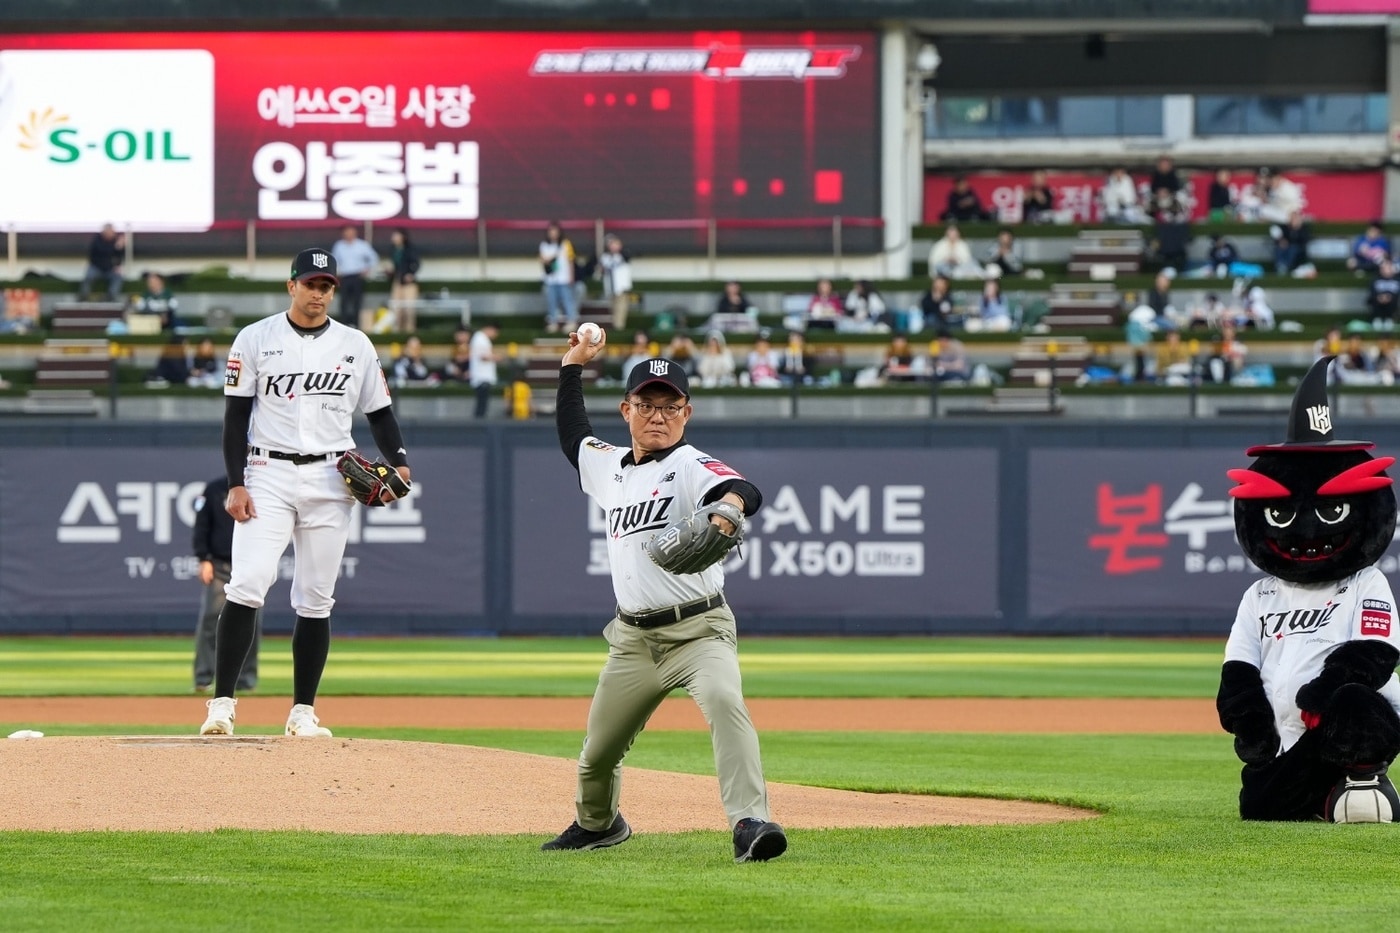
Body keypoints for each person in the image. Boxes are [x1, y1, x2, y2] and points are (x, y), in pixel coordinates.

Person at [544, 340, 786, 862]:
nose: (659, 416)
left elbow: (743, 487)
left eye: (671, 406)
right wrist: (570, 369)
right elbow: (573, 436)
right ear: (627, 409)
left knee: (726, 705)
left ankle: (750, 821)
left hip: (700, 632)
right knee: (596, 757)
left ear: (686, 413)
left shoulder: (689, 462)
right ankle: (599, 825)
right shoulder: (608, 466)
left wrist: (728, 509)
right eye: (648, 404)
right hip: (633, 640)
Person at [198, 246, 412, 739]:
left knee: (316, 598)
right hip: (266, 472)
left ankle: (302, 712)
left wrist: (399, 460)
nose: (319, 293)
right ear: (291, 285)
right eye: (311, 283)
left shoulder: (356, 344)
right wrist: (234, 481)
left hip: (332, 476)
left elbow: (378, 411)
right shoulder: (255, 338)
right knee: (247, 583)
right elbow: (234, 416)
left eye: (326, 286)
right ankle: (222, 705)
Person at [192, 476, 260, 694]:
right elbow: (202, 525)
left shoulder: (262, 486)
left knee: (250, 623)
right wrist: (203, 558)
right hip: (221, 564)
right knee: (210, 621)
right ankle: (203, 678)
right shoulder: (215, 489)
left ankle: (245, 680)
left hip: (250, 564)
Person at [330, 224, 379, 327]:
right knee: (344, 301)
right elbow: (334, 260)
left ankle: (356, 324)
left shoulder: (362, 245)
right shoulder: (339, 246)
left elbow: (373, 258)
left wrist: (367, 269)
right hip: (344, 277)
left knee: (357, 301)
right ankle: (343, 324)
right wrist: (337, 272)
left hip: (357, 276)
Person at [540, 221, 578, 334]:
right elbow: (544, 260)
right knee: (552, 301)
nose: (553, 234)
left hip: (564, 278)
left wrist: (571, 276)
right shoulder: (544, 245)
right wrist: (554, 256)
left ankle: (571, 321)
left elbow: (571, 261)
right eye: (551, 231)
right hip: (551, 279)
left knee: (567, 300)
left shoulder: (566, 244)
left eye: (555, 231)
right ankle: (553, 322)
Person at [385, 228, 421, 332]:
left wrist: (411, 274)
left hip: (408, 283)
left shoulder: (410, 249)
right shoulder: (393, 250)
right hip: (397, 281)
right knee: (396, 307)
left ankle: (409, 330)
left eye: (396, 235)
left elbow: (416, 264)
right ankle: (397, 331)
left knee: (408, 309)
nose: (394, 238)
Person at [79, 224, 125, 302]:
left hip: (109, 269)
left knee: (118, 277)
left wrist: (118, 265)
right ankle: (83, 296)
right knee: (88, 277)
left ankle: (111, 296)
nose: (111, 235)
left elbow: (119, 256)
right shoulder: (97, 240)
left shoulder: (115, 241)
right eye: (109, 233)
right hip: (96, 267)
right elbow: (102, 251)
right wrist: (115, 247)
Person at [597, 233, 634, 330]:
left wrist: (619, 250)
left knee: (621, 309)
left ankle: (619, 327)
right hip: (610, 288)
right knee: (612, 309)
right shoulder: (605, 257)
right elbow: (601, 269)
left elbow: (627, 256)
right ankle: (615, 326)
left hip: (621, 287)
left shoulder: (623, 255)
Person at [470, 323, 500, 418]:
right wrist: (497, 357)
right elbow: (483, 356)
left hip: (482, 376)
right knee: (482, 403)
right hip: (481, 376)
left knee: (482, 402)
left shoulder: (481, 339)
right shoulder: (480, 339)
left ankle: (479, 421)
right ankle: (479, 424)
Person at [1272, 211, 1312, 276]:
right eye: (1292, 218)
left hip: (1298, 249)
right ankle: (1280, 267)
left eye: (1295, 218)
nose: (1294, 220)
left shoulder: (1303, 228)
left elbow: (1304, 240)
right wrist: (1282, 241)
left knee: (1293, 249)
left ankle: (1287, 266)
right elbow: (1279, 235)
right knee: (1279, 249)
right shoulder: (1285, 228)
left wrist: (1297, 229)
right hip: (1285, 247)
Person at [1368, 258, 1400, 331]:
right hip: (1378, 302)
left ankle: (1390, 319)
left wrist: (1389, 297)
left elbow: (1397, 293)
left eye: (1388, 267)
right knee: (1374, 299)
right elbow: (1372, 292)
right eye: (1384, 268)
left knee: (1394, 300)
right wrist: (1380, 297)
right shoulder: (1375, 279)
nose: (1386, 269)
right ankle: (1377, 319)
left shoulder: (1397, 280)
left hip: (1392, 303)